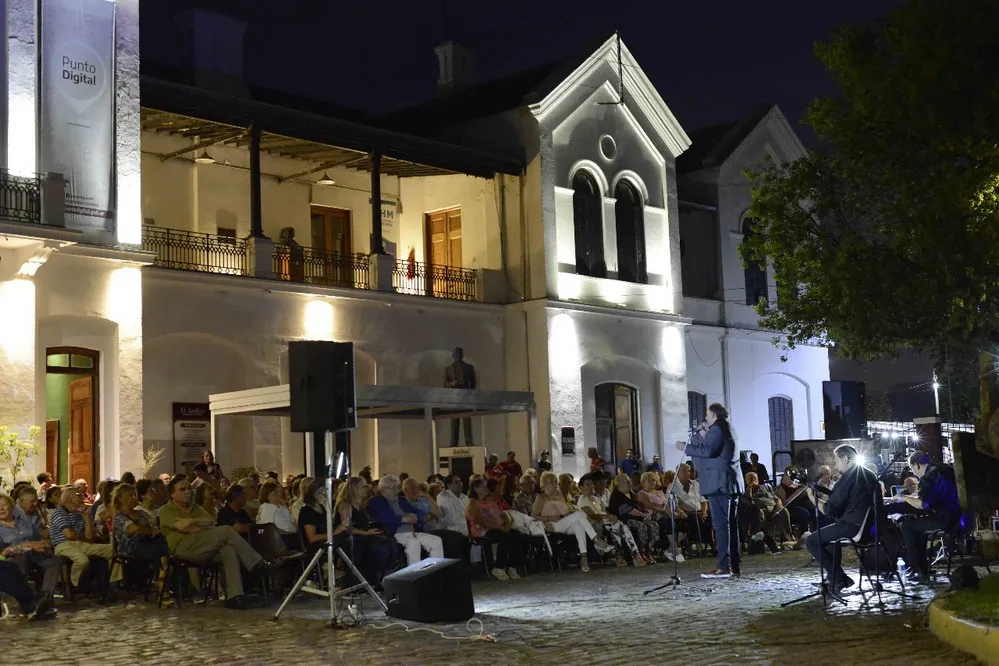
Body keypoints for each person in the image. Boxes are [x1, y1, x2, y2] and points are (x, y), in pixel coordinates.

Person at [159, 476, 271, 610]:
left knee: (229, 550)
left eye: (189, 488)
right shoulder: (165, 510)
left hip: (204, 543)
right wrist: (198, 525)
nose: (187, 492)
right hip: (183, 547)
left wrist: (191, 521)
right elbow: (184, 529)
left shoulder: (195, 507)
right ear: (172, 493)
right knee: (226, 530)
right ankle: (257, 564)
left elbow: (210, 521)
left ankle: (234, 597)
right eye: (182, 489)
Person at [677, 402, 741, 578]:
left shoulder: (717, 429)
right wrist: (705, 434)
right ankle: (733, 565)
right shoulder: (728, 428)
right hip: (730, 483)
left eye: (707, 415)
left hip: (719, 484)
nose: (705, 418)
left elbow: (706, 451)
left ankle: (723, 567)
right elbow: (716, 449)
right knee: (731, 526)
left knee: (721, 526)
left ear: (714, 415)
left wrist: (685, 447)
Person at [803, 444, 880, 592]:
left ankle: (839, 577)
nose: (836, 465)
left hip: (853, 527)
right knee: (830, 540)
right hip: (870, 527)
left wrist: (812, 498)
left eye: (837, 461)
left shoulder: (849, 477)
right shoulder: (869, 474)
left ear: (845, 458)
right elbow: (845, 499)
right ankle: (834, 580)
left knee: (811, 540)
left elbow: (829, 510)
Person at [896, 451, 962, 584]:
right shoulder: (945, 469)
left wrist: (903, 497)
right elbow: (932, 495)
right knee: (919, 526)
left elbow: (923, 504)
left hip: (946, 520)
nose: (914, 473)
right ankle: (922, 568)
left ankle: (917, 568)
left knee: (907, 525)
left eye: (913, 469)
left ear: (918, 465)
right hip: (960, 517)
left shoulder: (929, 476)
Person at [49, 486, 115, 593]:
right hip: (63, 545)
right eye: (78, 495)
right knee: (82, 560)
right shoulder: (59, 513)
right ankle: (74, 584)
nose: (82, 497)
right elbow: (69, 535)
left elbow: (89, 537)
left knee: (113, 550)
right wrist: (84, 539)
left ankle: (112, 583)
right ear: (69, 497)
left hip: (81, 544)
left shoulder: (79, 515)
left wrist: (87, 516)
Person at [368, 474, 444, 566]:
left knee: (436, 540)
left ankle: (436, 571)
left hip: (411, 533)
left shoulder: (401, 500)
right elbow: (383, 517)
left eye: (398, 487)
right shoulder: (377, 501)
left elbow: (415, 511)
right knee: (413, 543)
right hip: (393, 534)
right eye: (395, 488)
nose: (398, 491)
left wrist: (421, 516)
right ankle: (414, 575)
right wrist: (402, 519)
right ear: (385, 489)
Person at [110, 483, 170, 596]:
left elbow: (152, 528)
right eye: (130, 495)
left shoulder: (141, 513)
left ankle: (160, 580)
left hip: (148, 544)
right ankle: (161, 580)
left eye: (134, 495)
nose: (134, 498)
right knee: (160, 547)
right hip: (131, 548)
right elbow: (133, 529)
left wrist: (151, 531)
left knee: (160, 543)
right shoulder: (118, 516)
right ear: (121, 498)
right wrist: (149, 531)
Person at [466, 477, 527, 580]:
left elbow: (500, 514)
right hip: (483, 530)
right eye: (484, 486)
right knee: (504, 536)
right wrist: (501, 528)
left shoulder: (490, 501)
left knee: (517, 535)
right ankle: (499, 567)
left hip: (498, 527)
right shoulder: (473, 503)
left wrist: (507, 523)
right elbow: (482, 521)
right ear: (476, 489)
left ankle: (513, 566)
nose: (487, 488)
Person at [444, 347, 476, 446]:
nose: (457, 356)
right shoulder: (448, 369)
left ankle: (469, 442)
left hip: (465, 398)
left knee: (467, 420)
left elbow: (474, 384)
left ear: (462, 355)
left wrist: (471, 396)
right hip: (454, 399)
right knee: (454, 421)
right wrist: (452, 383)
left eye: (459, 354)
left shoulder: (469, 368)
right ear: (453, 356)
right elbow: (444, 385)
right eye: (455, 354)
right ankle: (453, 442)